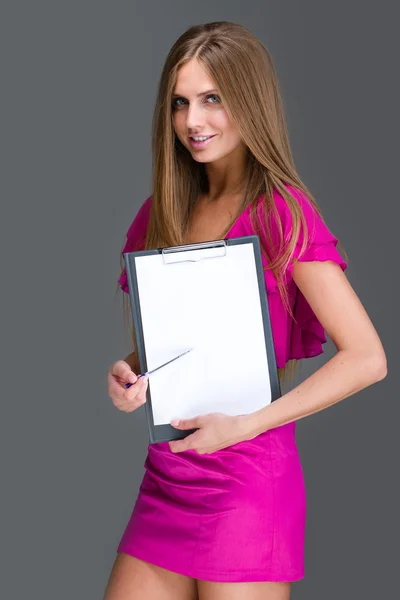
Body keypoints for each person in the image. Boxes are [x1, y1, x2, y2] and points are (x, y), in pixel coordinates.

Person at [104, 21, 387, 600]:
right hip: (171, 472)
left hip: (248, 479)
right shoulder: (164, 210)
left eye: (212, 100)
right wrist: (131, 373)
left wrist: (245, 425)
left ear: (249, 102)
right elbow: (178, 342)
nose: (193, 122)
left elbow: (367, 358)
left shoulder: (283, 211)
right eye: (180, 103)